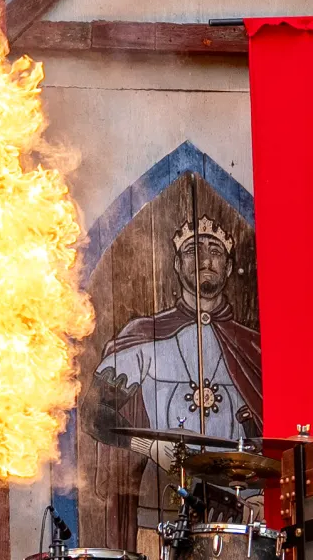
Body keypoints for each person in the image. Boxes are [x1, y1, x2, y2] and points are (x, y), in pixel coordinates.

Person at [85, 215, 262, 546]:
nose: (206, 260)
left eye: (216, 251)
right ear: (178, 264)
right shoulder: (143, 338)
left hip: (236, 513)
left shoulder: (254, 348)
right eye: (193, 250)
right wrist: (149, 446)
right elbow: (94, 414)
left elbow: (270, 436)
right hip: (164, 505)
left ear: (228, 266)